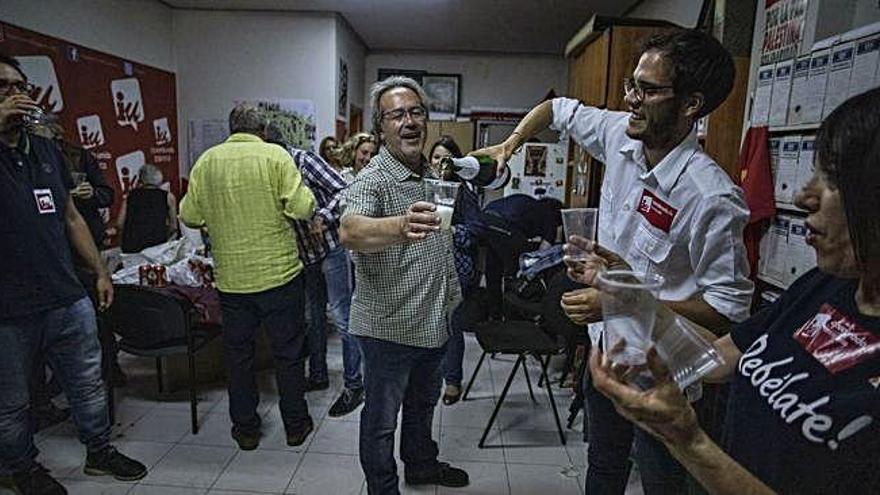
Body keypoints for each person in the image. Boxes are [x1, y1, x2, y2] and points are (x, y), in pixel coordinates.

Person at [475, 29, 754, 494]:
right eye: (631, 85)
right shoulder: (619, 135)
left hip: (665, 372)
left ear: (690, 104)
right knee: (603, 466)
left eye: (647, 90)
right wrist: (510, 145)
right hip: (607, 350)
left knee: (663, 481)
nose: (631, 100)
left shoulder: (711, 197)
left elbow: (729, 313)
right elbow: (557, 109)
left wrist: (624, 299)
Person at [580, 86, 880, 494]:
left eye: (833, 180)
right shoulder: (824, 288)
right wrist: (633, 300)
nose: (803, 196)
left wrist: (688, 440)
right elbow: (719, 357)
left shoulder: (710, 193)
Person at [0, 53, 147, 495]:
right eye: (3, 87)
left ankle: (99, 450)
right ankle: (24, 469)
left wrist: (99, 271)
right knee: (11, 403)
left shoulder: (46, 150)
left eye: (20, 87)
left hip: (66, 294)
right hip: (8, 308)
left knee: (88, 382)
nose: (16, 95)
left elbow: (70, 218)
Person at [340, 77, 469, 494]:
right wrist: (399, 225)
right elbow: (349, 229)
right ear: (381, 128)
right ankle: (383, 487)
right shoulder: (373, 178)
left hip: (432, 322)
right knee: (380, 422)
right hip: (388, 330)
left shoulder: (431, 171)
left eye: (416, 112)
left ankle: (421, 466)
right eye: (397, 115)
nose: (410, 122)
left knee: (421, 408)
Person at [179, 103, 317, 451]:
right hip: (280, 275)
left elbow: (189, 215)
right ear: (264, 130)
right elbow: (302, 208)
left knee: (238, 358)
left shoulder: (207, 162)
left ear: (231, 129)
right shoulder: (275, 156)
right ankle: (295, 425)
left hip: (232, 280)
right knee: (288, 353)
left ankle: (245, 429)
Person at [263, 122, 364, 418]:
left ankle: (354, 385)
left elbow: (346, 190)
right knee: (313, 318)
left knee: (343, 317)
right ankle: (318, 375)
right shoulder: (268, 169)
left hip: (331, 247)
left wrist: (322, 215)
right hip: (305, 254)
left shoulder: (303, 161)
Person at [429, 136, 482, 405]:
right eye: (436, 157)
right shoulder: (424, 189)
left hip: (456, 268)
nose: (440, 163)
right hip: (427, 267)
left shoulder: (463, 192)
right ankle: (429, 377)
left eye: (446, 158)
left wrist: (452, 231)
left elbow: (476, 230)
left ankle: (452, 381)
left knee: (452, 325)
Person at [479, 194, 563, 317]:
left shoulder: (531, 203)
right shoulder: (550, 218)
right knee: (517, 270)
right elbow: (541, 255)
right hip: (504, 225)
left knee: (493, 272)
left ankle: (494, 315)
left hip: (484, 219)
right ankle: (513, 313)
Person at [115, 164, 178, 253]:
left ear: (141, 180)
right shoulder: (168, 197)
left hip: (131, 247)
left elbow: (119, 224)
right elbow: (173, 227)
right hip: (157, 248)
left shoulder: (131, 196)